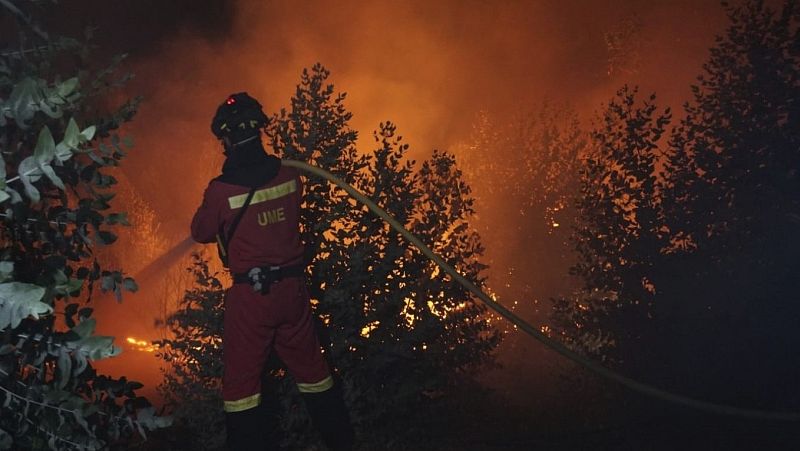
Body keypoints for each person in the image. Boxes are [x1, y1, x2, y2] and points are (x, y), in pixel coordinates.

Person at [190, 92, 354, 451]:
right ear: (259, 131)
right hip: (293, 294)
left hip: (252, 298)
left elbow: (200, 232)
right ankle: (342, 442)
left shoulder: (221, 192)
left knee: (241, 389)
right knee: (315, 376)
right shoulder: (291, 176)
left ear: (228, 139)